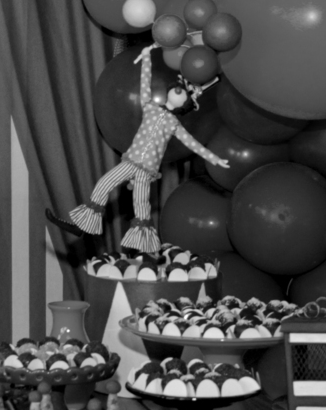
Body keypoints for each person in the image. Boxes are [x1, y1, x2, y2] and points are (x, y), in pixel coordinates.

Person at [46, 44, 228, 253]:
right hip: (131, 161)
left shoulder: (174, 125)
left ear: (184, 105)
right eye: (178, 88)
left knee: (141, 207)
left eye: (184, 93)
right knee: (104, 183)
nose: (179, 91)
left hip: (146, 170)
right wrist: (146, 58)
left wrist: (214, 159)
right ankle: (82, 225)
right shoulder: (150, 107)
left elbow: (193, 144)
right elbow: (144, 84)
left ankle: (149, 250)